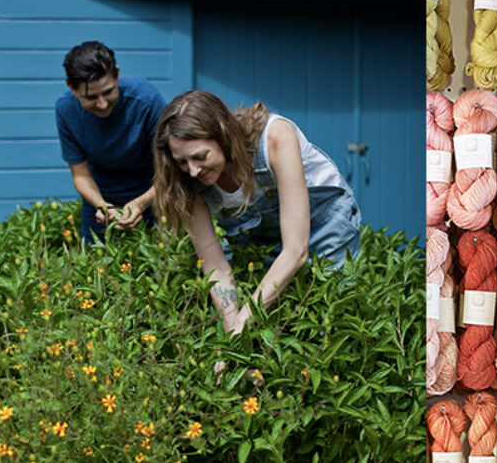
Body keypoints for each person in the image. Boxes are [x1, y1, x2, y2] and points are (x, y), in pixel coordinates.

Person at [152, 90, 361, 334]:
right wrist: (233, 331)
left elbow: (295, 251)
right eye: (182, 162)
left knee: (326, 322)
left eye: (200, 157)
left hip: (325, 221)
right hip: (262, 233)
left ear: (223, 135)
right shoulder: (187, 180)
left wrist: (244, 320)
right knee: (274, 322)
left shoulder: (275, 138)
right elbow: (215, 267)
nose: (193, 171)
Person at [55, 41, 168, 243]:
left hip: (153, 190)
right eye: (91, 97)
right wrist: (102, 206)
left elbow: (171, 169)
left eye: (108, 92)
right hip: (100, 195)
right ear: (72, 88)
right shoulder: (66, 110)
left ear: (116, 74)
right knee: (93, 264)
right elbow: (80, 174)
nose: (102, 104)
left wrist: (141, 204)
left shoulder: (147, 100)